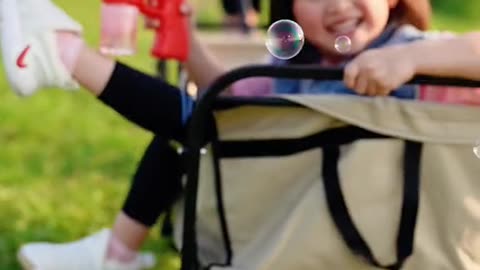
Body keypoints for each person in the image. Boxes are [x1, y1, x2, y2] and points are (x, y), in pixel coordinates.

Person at [4, 0, 480, 269]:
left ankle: (64, 56)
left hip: (396, 236)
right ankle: (62, 56)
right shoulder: (295, 68)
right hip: (296, 226)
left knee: (197, 124)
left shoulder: (428, 63)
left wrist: (413, 63)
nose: (337, 5)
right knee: (205, 118)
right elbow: (225, 100)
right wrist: (185, 36)